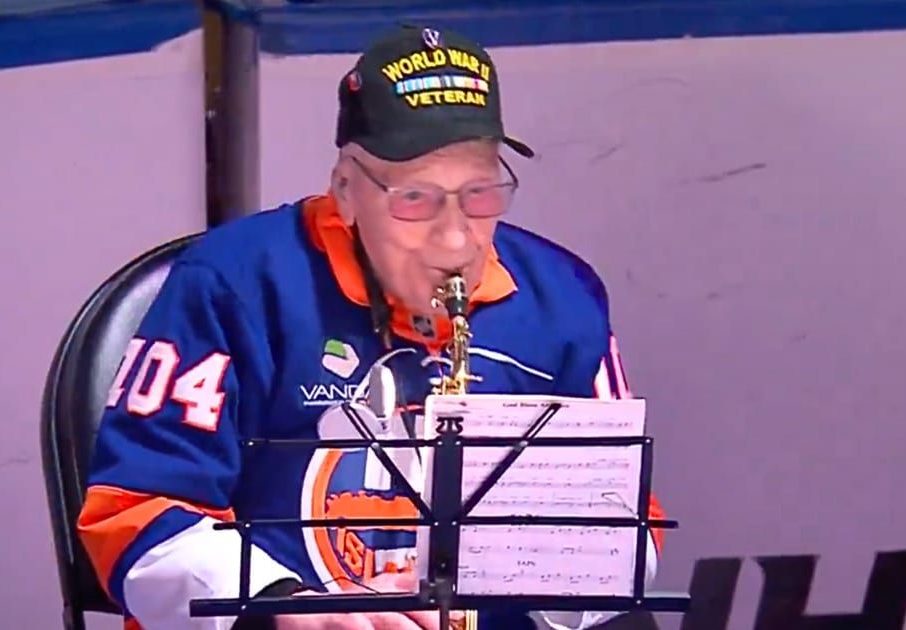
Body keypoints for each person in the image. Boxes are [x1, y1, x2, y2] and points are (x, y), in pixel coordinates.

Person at [78, 25, 665, 630]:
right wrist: (284, 611)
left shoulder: (563, 300)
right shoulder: (234, 284)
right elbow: (135, 516)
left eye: (481, 193)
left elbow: (628, 527)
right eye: (414, 198)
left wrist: (562, 568)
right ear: (345, 190)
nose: (456, 239)